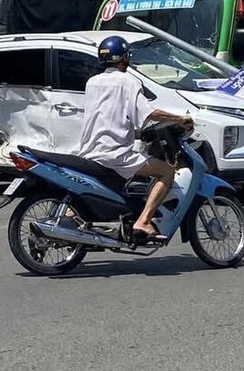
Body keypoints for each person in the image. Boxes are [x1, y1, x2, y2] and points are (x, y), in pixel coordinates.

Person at [77, 36, 194, 242]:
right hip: (116, 154)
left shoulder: (92, 82)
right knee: (166, 172)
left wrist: (137, 133)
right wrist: (179, 118)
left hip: (89, 151)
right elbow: (147, 114)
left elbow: (109, 116)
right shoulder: (129, 82)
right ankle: (144, 220)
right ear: (124, 58)